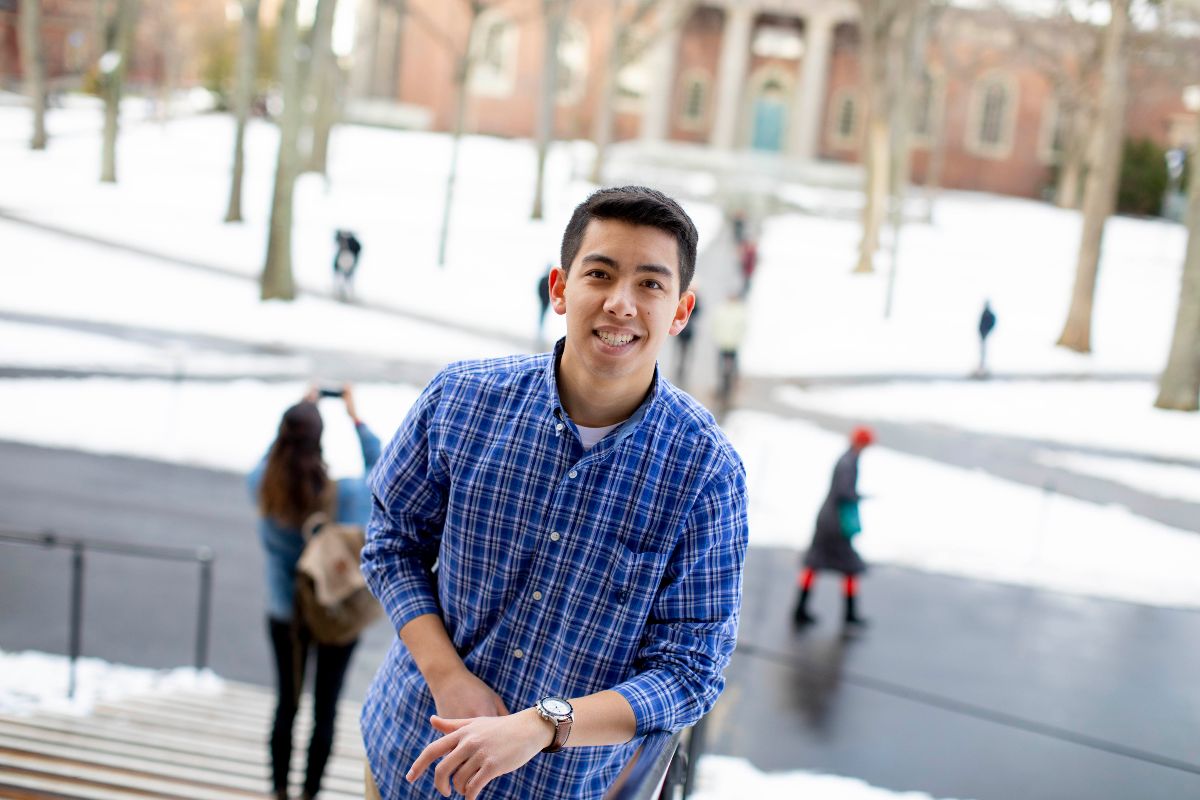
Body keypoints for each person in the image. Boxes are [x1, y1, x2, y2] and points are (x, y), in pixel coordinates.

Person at [359, 186, 749, 800]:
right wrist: (447, 675)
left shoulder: (706, 473)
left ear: (680, 311)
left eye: (651, 284)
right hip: (408, 756)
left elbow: (690, 671)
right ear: (561, 287)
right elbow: (391, 543)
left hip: (560, 788)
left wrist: (544, 725)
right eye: (601, 273)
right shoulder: (459, 401)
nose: (621, 304)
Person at [249, 386, 381, 800]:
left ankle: (278, 791)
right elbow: (384, 470)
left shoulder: (263, 487)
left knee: (286, 705)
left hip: (284, 613)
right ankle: (309, 794)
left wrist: (301, 411)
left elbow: (266, 462)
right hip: (335, 614)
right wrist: (356, 419)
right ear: (319, 441)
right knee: (326, 708)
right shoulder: (345, 496)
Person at [793, 426, 875, 628]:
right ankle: (849, 614)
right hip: (835, 525)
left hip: (827, 521)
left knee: (814, 564)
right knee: (849, 568)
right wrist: (860, 497)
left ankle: (800, 608)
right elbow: (844, 493)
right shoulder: (848, 462)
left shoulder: (847, 458)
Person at [711, 291, 748, 412]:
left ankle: (729, 388)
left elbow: (742, 327)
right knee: (721, 368)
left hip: (732, 345)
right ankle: (722, 388)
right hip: (723, 343)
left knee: (731, 368)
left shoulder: (739, 311)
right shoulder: (722, 310)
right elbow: (716, 324)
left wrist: (736, 340)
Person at [674, 286, 699, 388]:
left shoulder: (695, 300)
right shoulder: (689, 300)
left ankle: (681, 369)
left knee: (684, 352)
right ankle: (680, 368)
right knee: (682, 351)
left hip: (686, 332)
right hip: (684, 332)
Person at [333, 230, 363, 301]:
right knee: (341, 278)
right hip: (343, 262)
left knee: (348, 278)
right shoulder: (341, 240)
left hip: (349, 262)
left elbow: (358, 249)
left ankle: (347, 293)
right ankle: (340, 291)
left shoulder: (354, 243)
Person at [976, 300, 997, 377]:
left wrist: (987, 332)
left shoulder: (988, 314)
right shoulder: (984, 313)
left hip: (985, 335)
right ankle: (981, 369)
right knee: (982, 352)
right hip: (982, 335)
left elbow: (992, 323)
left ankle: (983, 369)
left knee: (985, 353)